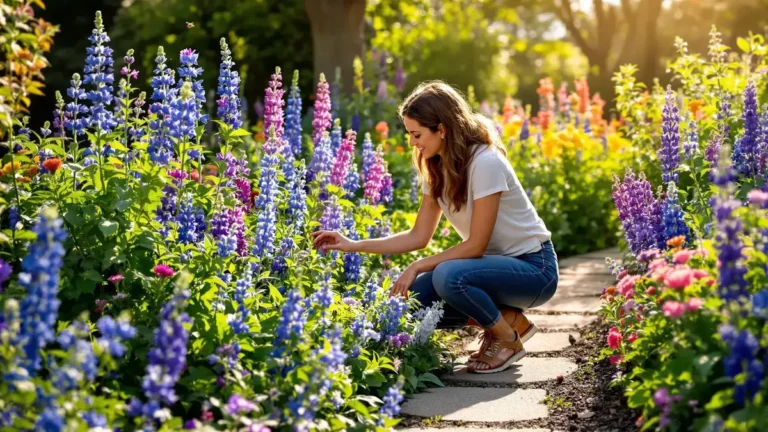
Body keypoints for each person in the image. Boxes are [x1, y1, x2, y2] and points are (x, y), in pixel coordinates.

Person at [311, 81, 559, 374]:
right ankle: (509, 319)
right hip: (491, 269)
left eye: (417, 134)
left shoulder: (486, 162)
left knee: (447, 276)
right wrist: (352, 244)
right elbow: (419, 236)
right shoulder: (437, 167)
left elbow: (476, 245)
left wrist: (417, 266)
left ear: (441, 129)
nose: (412, 143)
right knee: (415, 302)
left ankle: (507, 339)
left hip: (534, 269)